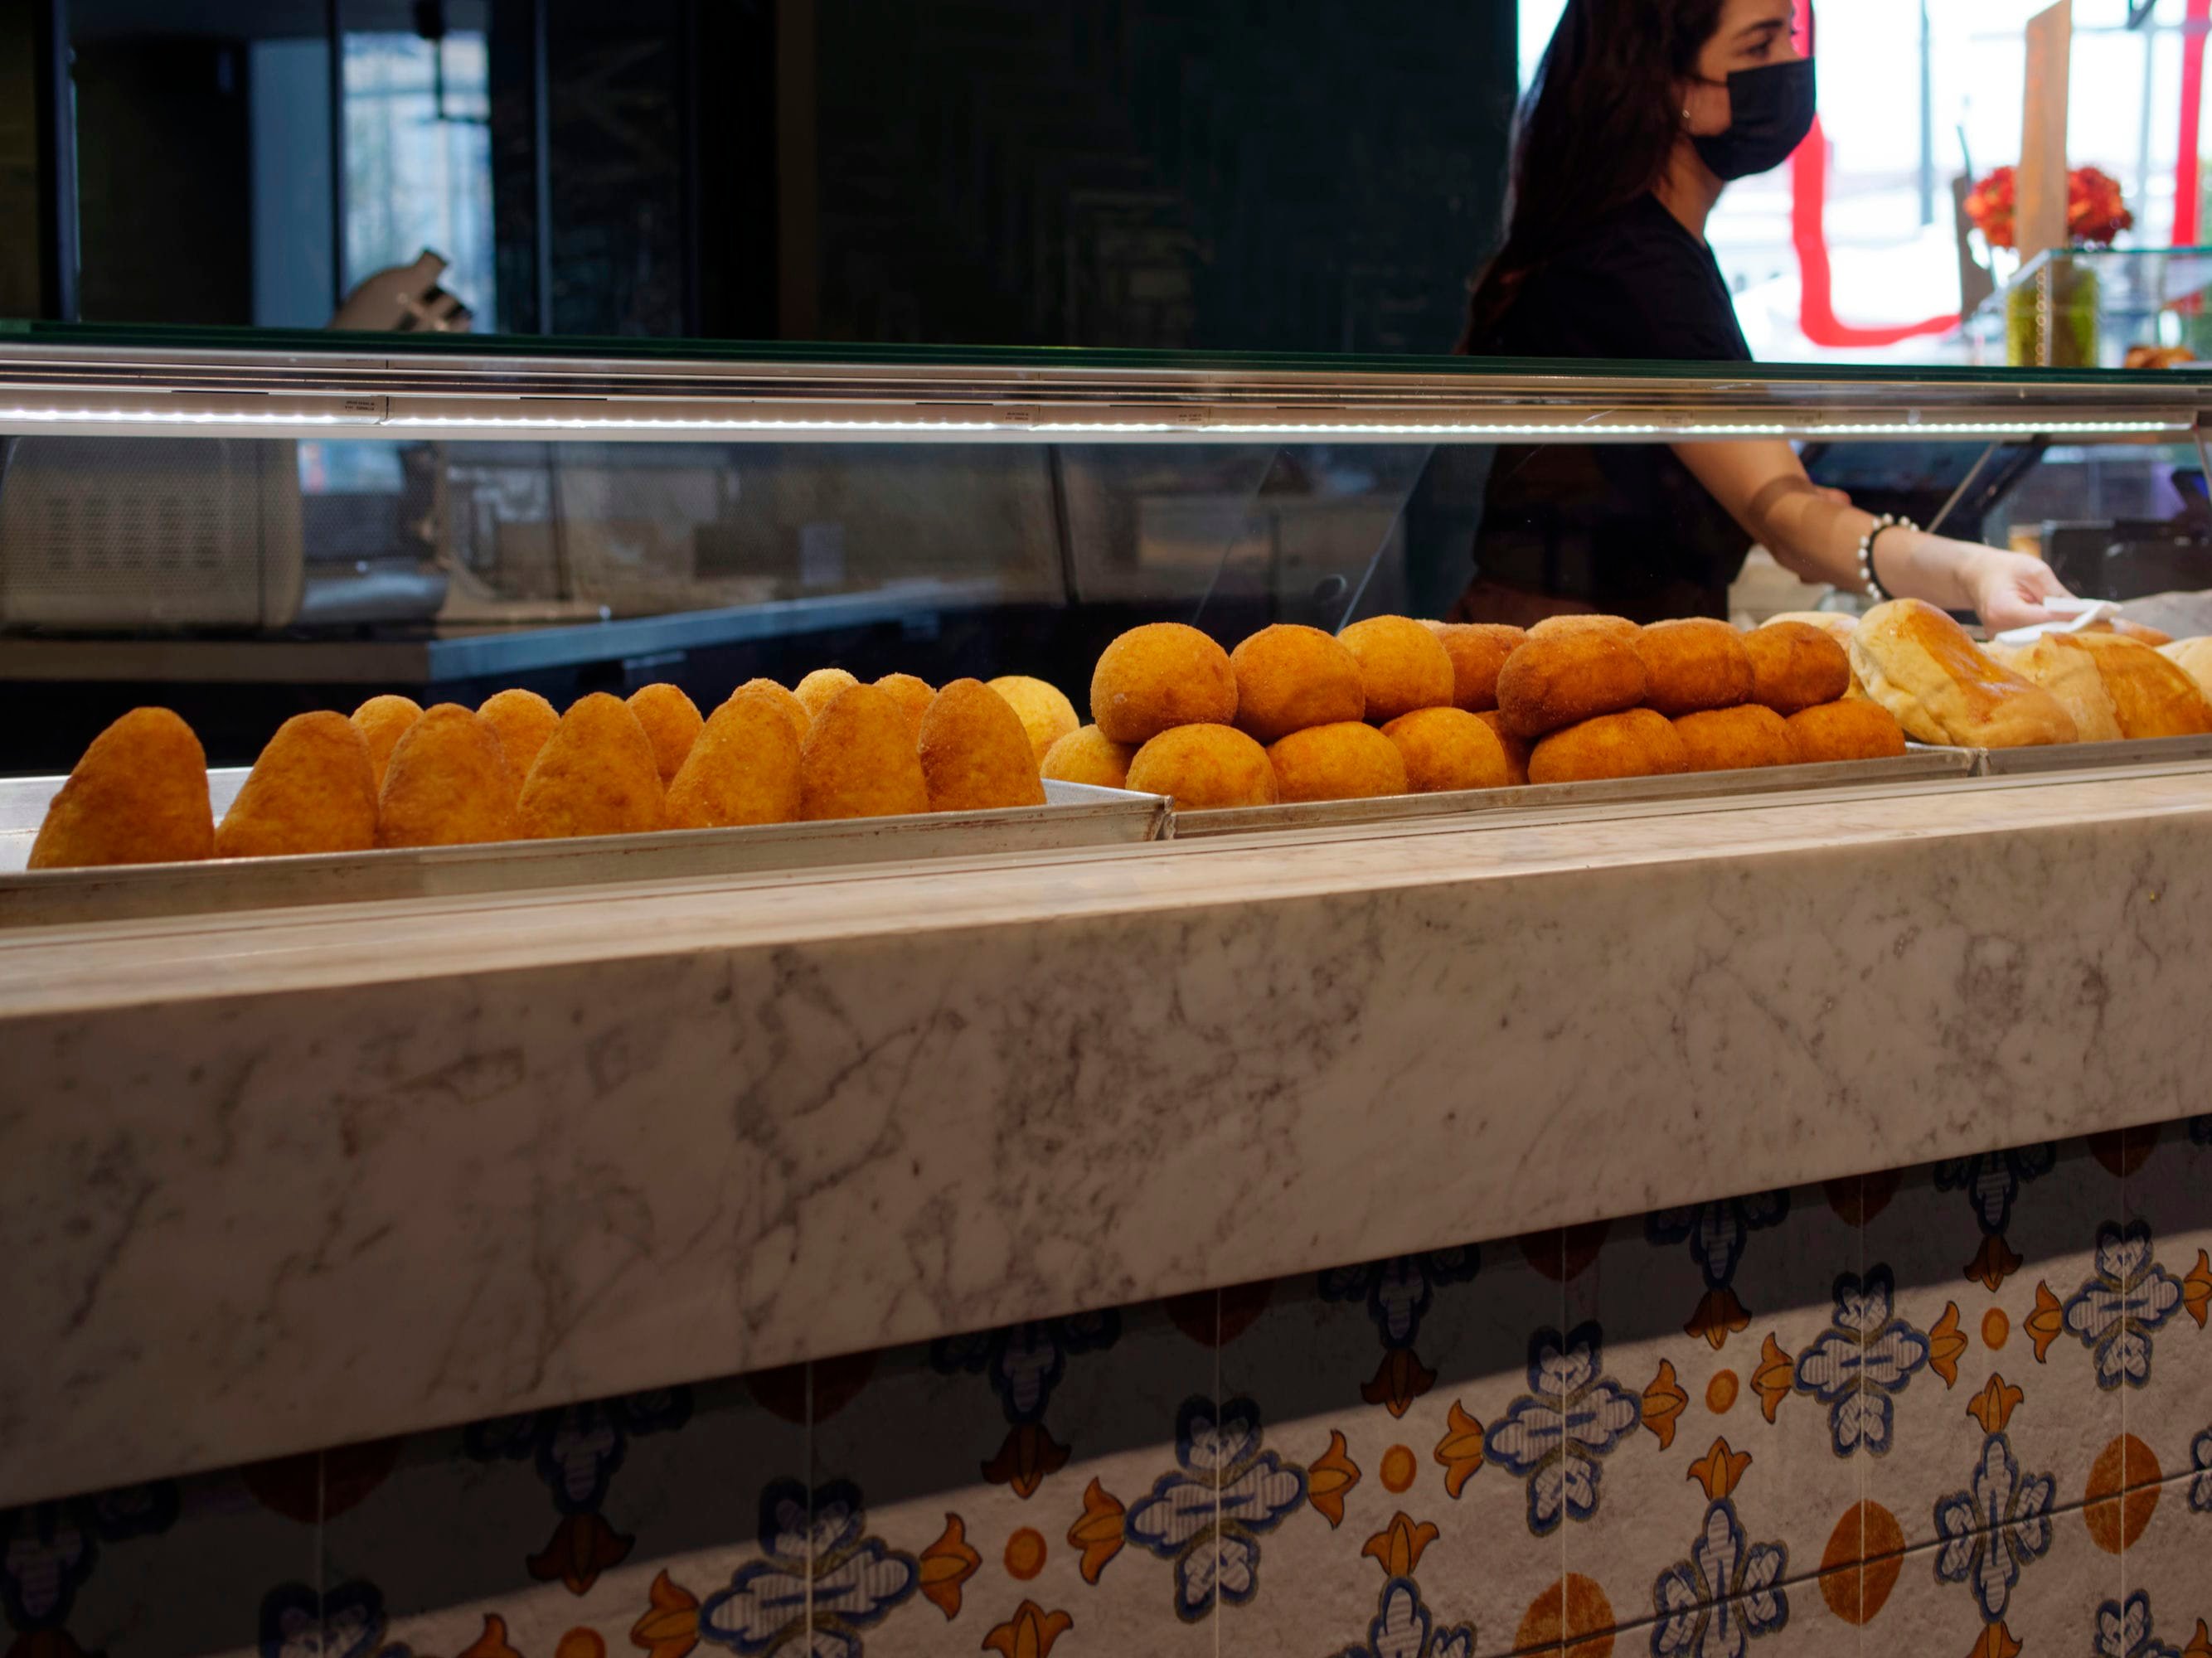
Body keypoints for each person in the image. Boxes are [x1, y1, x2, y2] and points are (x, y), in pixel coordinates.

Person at [1453, 0, 2070, 632]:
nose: (1791, 63)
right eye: (1757, 47)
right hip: (1580, 652)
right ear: (1671, 89)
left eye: (1790, 34)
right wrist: (1975, 571)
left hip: (1601, 636)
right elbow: (1784, 521)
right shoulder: (1638, 266)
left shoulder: (1631, 245)